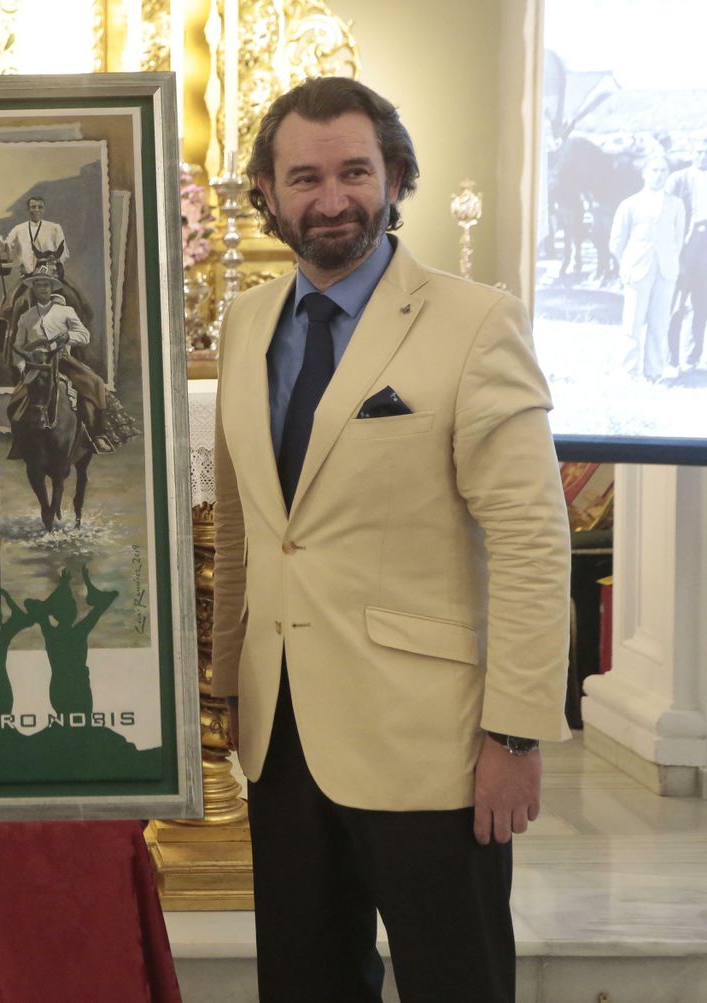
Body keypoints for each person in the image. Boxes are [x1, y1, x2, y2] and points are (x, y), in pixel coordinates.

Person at [210, 78, 571, 1002]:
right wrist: (224, 688)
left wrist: (518, 734)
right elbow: (251, 531)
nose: (331, 199)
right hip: (284, 741)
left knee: (457, 982)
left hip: (433, 747)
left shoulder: (476, 323)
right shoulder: (247, 322)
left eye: (354, 171)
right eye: (304, 177)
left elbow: (531, 540)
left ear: (397, 176)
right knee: (305, 984)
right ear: (265, 193)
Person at [8, 271, 130, 455]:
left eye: (46, 285)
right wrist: (23, 366)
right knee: (16, 401)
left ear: (51, 289)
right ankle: (19, 440)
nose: (42, 289)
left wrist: (67, 337)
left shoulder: (66, 312)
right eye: (39, 285)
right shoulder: (26, 317)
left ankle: (97, 434)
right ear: (33, 289)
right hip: (36, 365)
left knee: (95, 383)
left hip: (63, 361)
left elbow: (84, 335)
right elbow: (17, 345)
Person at [610, 155, 686, 381]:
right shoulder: (630, 204)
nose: (658, 175)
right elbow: (616, 241)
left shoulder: (676, 204)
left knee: (659, 322)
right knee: (632, 322)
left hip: (665, 270)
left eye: (663, 171)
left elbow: (678, 239)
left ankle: (654, 371)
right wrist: (627, 263)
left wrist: (670, 260)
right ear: (644, 173)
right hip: (637, 269)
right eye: (654, 170)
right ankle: (628, 371)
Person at [666, 139, 707, 373]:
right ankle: (671, 359)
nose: (703, 156)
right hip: (684, 247)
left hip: (706, 246)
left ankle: (693, 358)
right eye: (699, 151)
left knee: (702, 305)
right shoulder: (678, 179)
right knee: (676, 305)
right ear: (691, 152)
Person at [0, 195, 70, 279]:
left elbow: (63, 252)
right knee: (14, 292)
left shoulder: (55, 228)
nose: (37, 210)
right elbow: (5, 248)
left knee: (68, 291)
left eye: (40, 207)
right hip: (27, 276)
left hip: (51, 275)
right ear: (28, 209)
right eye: (33, 207)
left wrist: (52, 263)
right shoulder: (18, 229)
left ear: (44, 209)